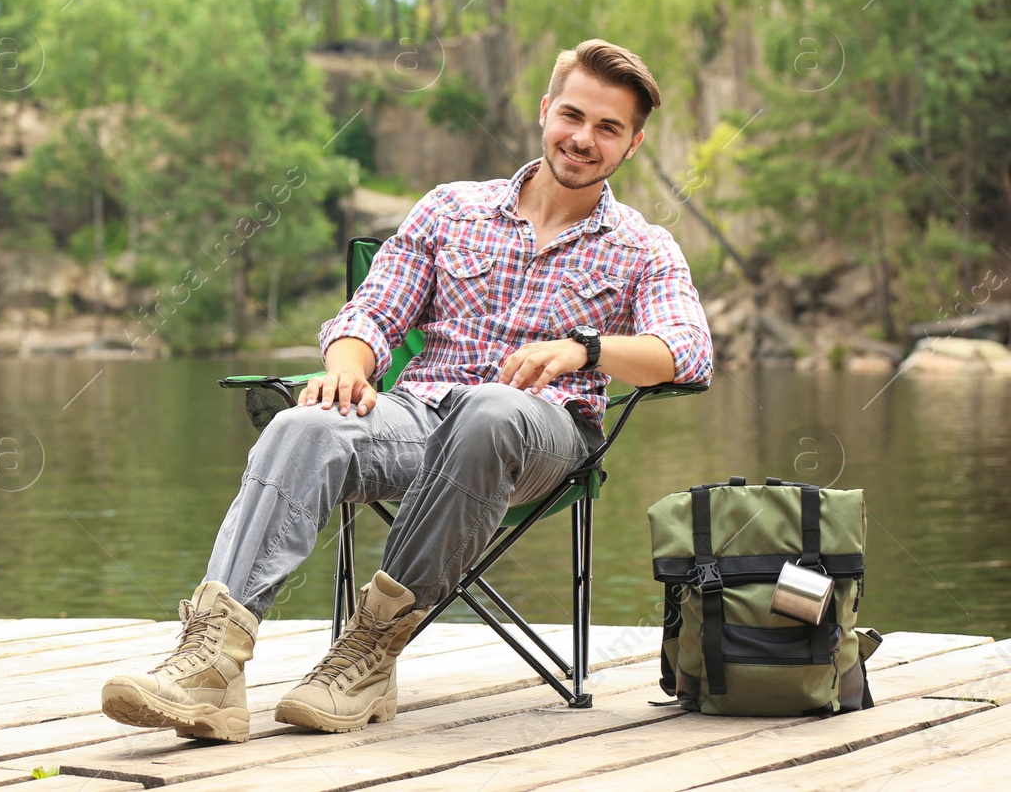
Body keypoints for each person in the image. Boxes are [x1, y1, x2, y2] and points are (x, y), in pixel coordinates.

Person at [100, 38, 714, 742]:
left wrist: (587, 347)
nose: (582, 138)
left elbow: (687, 351)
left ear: (632, 144)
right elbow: (372, 312)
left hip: (542, 439)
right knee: (305, 423)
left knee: (490, 408)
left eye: (608, 128)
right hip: (419, 416)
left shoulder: (644, 246)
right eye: (572, 115)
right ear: (546, 110)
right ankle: (212, 663)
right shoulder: (450, 208)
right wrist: (349, 364)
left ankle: (368, 653)